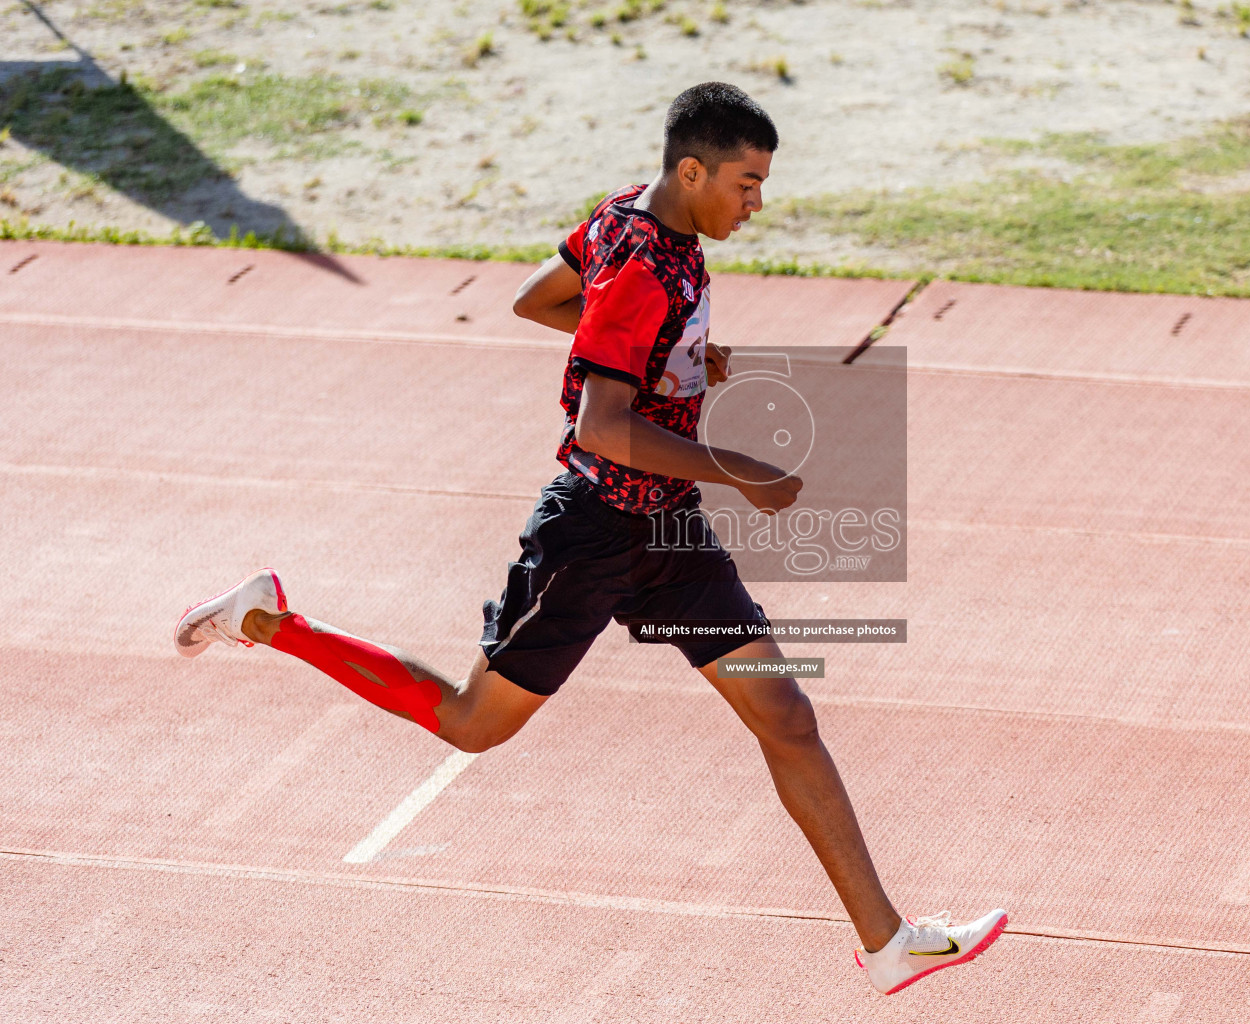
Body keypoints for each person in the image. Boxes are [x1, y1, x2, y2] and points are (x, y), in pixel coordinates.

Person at [174, 81, 1005, 994]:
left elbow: (539, 299)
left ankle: (887, 943)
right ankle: (267, 622)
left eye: (763, 183)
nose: (757, 202)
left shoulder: (629, 220)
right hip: (594, 534)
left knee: (785, 715)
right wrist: (741, 468)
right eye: (745, 183)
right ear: (691, 170)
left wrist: (674, 355)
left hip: (669, 533)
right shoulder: (646, 262)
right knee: (470, 724)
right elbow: (602, 427)